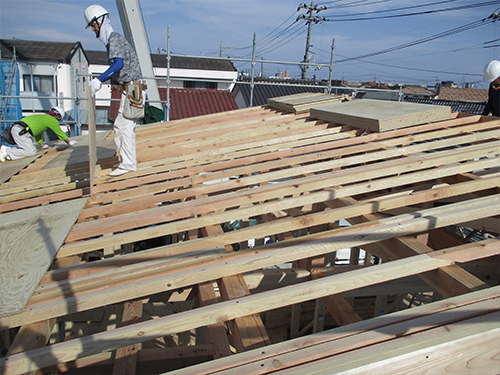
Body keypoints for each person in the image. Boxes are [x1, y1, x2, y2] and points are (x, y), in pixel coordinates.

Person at [85, 4, 143, 176]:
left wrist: (99, 80)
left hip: (134, 88)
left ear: (100, 21)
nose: (94, 31)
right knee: (121, 126)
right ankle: (127, 162)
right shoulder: (113, 40)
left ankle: (129, 164)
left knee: (124, 127)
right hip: (132, 88)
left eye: (94, 26)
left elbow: (119, 64)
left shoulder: (114, 39)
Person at [0, 106, 75, 162]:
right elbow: (60, 133)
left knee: (27, 149)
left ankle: (9, 154)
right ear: (58, 116)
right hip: (22, 131)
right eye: (59, 119)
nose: (58, 120)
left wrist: (42, 145)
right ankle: (7, 151)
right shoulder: (52, 120)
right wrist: (69, 143)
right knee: (31, 152)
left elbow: (38, 132)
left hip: (18, 129)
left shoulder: (43, 117)